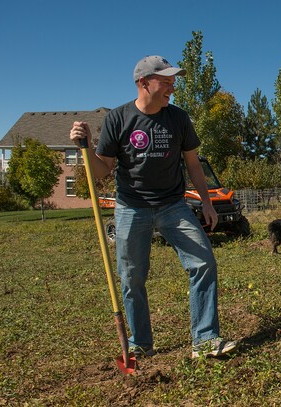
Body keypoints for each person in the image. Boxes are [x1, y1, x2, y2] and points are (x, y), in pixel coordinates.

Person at [69, 55, 237, 359]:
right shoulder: (117, 119)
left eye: (173, 80)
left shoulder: (178, 118)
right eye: (166, 80)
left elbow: (193, 164)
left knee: (203, 262)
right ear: (144, 83)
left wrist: (209, 203)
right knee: (132, 276)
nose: (172, 85)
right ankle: (141, 343)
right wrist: (86, 146)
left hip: (174, 204)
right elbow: (101, 170)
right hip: (131, 208)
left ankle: (205, 339)